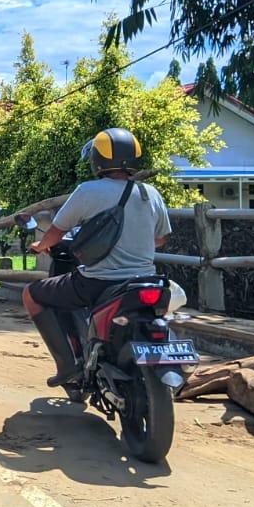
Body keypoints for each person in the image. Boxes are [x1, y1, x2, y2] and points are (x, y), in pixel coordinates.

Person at [24, 127, 171, 387]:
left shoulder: (88, 191)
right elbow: (160, 239)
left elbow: (57, 232)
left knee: (31, 294)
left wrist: (39, 246)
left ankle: (67, 365)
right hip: (145, 281)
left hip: (98, 283)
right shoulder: (151, 193)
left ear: (97, 160)